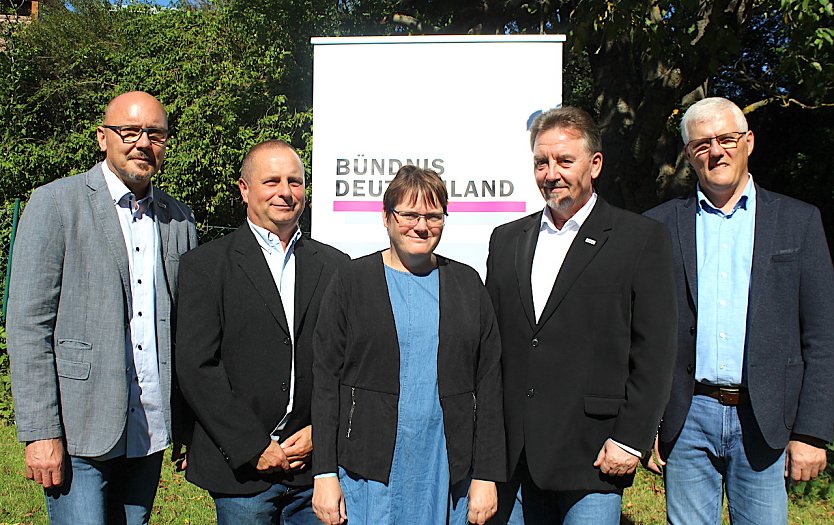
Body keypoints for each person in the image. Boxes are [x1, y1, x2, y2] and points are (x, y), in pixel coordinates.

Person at [6, 91, 198, 524]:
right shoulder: (56, 204)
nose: (142, 143)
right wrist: (41, 432)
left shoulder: (179, 219)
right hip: (78, 428)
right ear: (102, 138)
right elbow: (27, 325)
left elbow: (186, 330)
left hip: (149, 427)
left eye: (155, 133)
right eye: (129, 132)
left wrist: (187, 422)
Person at [643, 97, 834, 524]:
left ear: (749, 141)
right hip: (686, 414)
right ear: (690, 156)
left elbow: (823, 336)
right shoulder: (657, 226)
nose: (716, 151)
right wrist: (649, 420)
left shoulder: (798, 222)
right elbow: (644, 333)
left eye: (727, 139)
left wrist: (810, 432)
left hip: (765, 418)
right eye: (701, 144)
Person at [485, 106, 678, 524]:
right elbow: (495, 345)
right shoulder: (505, 240)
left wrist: (631, 439)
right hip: (513, 455)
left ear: (595, 164)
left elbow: (657, 350)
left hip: (591, 451)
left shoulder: (640, 239)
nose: (551, 173)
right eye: (541, 162)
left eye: (564, 161)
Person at [310, 165, 506, 525]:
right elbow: (325, 382)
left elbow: (489, 384)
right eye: (410, 214)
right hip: (368, 470)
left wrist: (486, 474)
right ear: (386, 217)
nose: (422, 226)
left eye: (433, 216)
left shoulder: (466, 283)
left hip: (446, 466)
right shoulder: (351, 281)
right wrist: (323, 473)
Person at [175, 140, 348, 524]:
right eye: (271, 181)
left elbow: (346, 363)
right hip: (243, 473)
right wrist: (252, 446)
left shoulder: (336, 266)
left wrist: (321, 431)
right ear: (244, 189)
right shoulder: (205, 266)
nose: (285, 192)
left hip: (313, 470)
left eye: (295, 181)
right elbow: (196, 367)